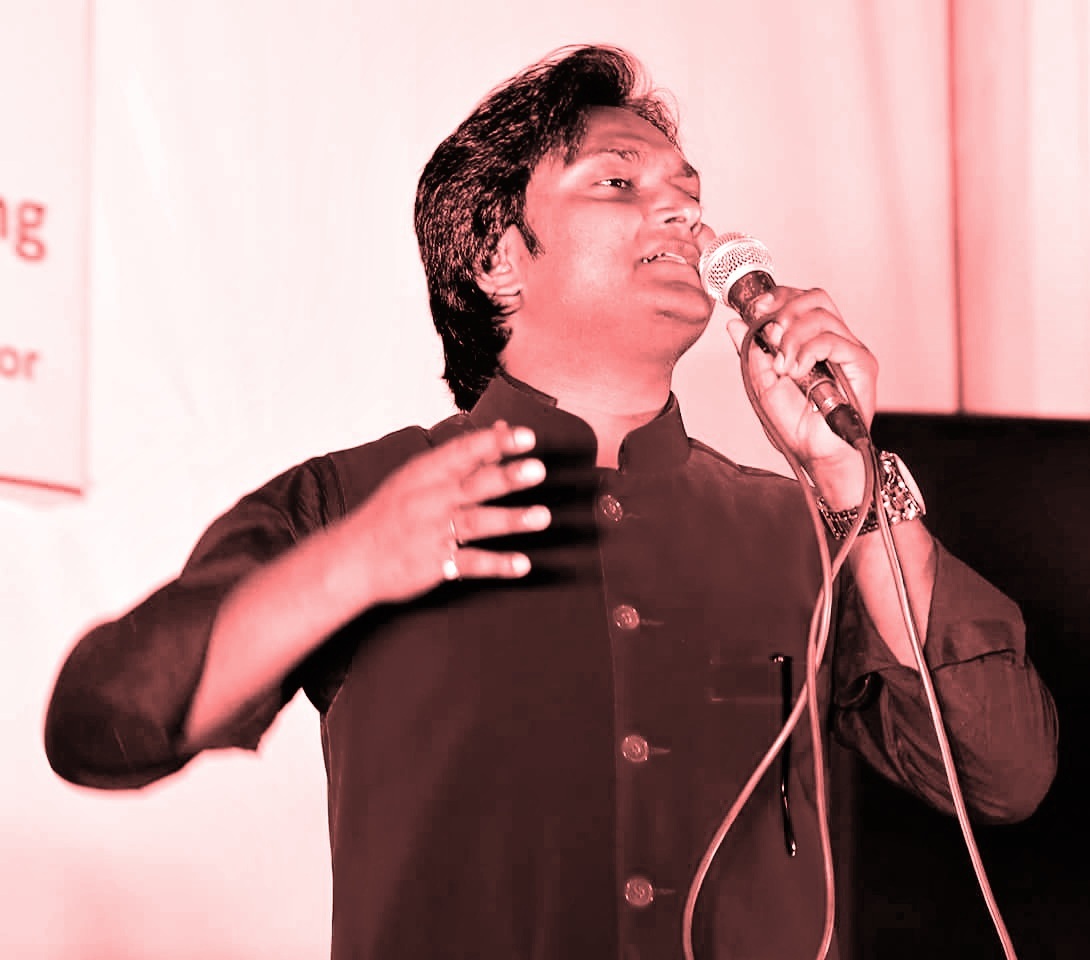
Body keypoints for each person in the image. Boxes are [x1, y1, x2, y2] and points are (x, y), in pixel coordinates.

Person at [45, 45, 1057, 959]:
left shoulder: (810, 531)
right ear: (497, 257)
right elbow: (99, 726)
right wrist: (347, 568)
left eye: (688, 193)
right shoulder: (353, 500)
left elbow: (1004, 772)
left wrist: (847, 483)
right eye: (618, 181)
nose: (685, 214)